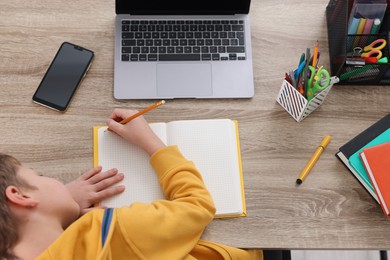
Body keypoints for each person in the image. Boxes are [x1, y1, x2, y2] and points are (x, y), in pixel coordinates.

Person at [0, 108, 263, 260]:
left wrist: (58, 211)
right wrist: (151, 141)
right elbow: (198, 207)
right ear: (20, 197)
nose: (53, 181)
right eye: (41, 176)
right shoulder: (108, 230)